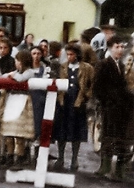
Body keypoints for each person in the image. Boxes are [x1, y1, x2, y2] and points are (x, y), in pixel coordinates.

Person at [95, 35, 134, 180]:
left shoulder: (121, 65)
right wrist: (106, 102)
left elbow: (123, 87)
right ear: (110, 48)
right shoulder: (104, 64)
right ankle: (104, 166)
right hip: (110, 107)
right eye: (117, 47)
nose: (120, 50)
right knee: (108, 136)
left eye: (122, 47)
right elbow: (98, 87)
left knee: (121, 138)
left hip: (122, 108)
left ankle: (118, 170)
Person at [53, 43, 88, 173]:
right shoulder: (63, 67)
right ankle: (60, 157)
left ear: (77, 55)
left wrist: (85, 97)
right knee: (61, 131)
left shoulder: (85, 68)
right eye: (67, 54)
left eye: (72, 54)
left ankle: (74, 159)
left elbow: (89, 84)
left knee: (76, 132)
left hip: (78, 103)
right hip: (64, 102)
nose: (69, 57)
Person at [0, 49, 36, 168]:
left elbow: (20, 78)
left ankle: (19, 158)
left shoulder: (30, 72)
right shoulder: (16, 72)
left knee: (19, 134)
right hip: (12, 100)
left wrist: (12, 75)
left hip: (23, 100)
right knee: (8, 132)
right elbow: (4, 77)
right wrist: (11, 75)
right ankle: (9, 156)